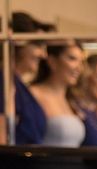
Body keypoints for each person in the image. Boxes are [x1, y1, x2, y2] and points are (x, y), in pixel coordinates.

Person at [0, 11, 54, 145]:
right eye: (38, 45)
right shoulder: (3, 82)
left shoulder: (18, 85)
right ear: (17, 42)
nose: (44, 55)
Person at [30, 41, 85, 147]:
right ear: (52, 61)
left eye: (81, 61)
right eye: (72, 59)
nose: (79, 68)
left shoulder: (70, 101)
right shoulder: (34, 94)